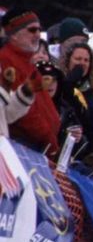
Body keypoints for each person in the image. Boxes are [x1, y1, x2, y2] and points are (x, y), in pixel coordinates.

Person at [0, 9, 60, 156]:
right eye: (32, 30)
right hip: (27, 147)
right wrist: (48, 139)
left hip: (37, 146)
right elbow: (22, 117)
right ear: (14, 34)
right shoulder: (7, 60)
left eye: (39, 29)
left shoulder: (27, 61)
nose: (38, 34)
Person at [56, 41, 93, 158]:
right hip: (67, 150)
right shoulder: (59, 86)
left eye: (86, 60)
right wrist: (69, 82)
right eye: (78, 59)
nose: (82, 63)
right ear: (68, 61)